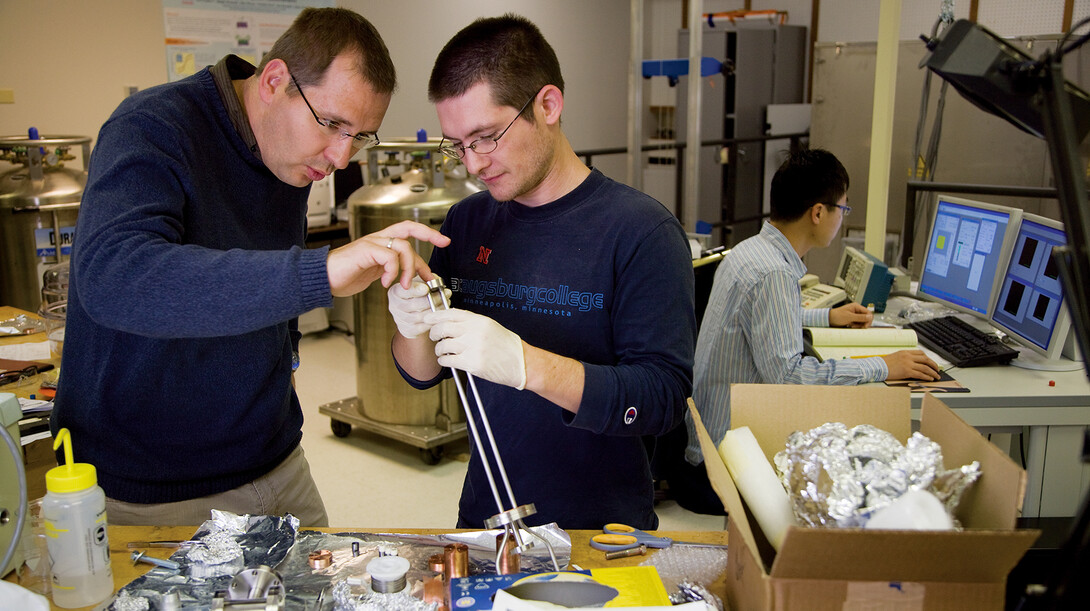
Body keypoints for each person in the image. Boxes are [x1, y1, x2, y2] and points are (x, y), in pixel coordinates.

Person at [51, 7, 449, 527]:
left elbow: (253, 291)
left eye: (361, 136)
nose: (341, 157)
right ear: (275, 80)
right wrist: (317, 273)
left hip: (277, 463)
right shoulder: (152, 127)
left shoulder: (291, 156)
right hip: (153, 489)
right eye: (332, 125)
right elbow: (114, 277)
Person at [387, 14, 696, 530]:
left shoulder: (641, 231)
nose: (473, 164)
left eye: (486, 136)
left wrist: (528, 366)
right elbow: (421, 374)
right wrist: (411, 323)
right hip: (487, 522)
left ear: (548, 105)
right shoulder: (467, 222)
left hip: (602, 530)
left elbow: (662, 400)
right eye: (457, 144)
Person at [677, 148, 940, 515]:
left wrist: (827, 318)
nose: (842, 219)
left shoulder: (750, 251)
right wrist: (883, 365)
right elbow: (790, 376)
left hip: (702, 448)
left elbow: (761, 319)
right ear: (818, 212)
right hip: (720, 472)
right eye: (843, 209)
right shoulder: (775, 274)